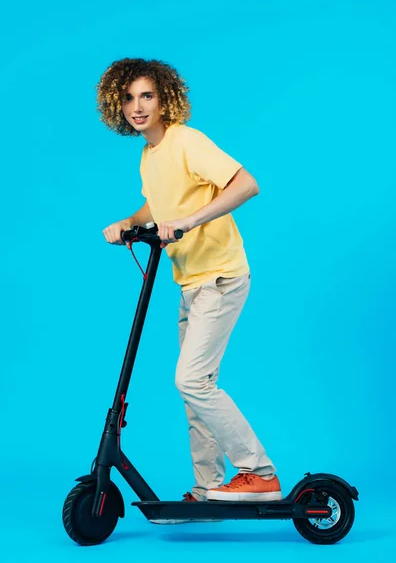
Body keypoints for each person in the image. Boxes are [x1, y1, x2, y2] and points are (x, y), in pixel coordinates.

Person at [97, 58, 282, 521]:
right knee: (196, 389)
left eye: (147, 96)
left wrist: (188, 222)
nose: (138, 107)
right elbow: (158, 203)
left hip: (219, 277)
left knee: (192, 380)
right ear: (116, 105)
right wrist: (130, 222)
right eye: (128, 98)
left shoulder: (185, 141)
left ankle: (259, 472)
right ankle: (206, 489)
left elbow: (247, 184)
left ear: (165, 98)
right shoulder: (150, 153)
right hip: (190, 282)